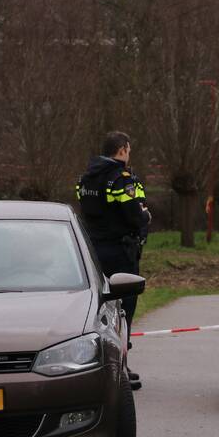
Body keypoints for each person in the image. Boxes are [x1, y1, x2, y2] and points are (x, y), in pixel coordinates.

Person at [76, 131, 150, 366]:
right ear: (121, 150)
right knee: (125, 308)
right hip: (121, 251)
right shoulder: (121, 178)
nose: (129, 154)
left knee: (100, 309)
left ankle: (99, 363)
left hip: (94, 252)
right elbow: (133, 215)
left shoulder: (86, 178)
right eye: (128, 150)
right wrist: (145, 216)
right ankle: (121, 367)